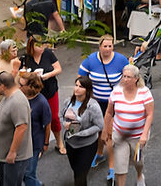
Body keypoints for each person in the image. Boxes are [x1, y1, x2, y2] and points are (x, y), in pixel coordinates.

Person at [78, 34, 130, 177]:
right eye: (105, 46)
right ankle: (100, 153)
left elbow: (130, 77)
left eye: (110, 46)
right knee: (100, 131)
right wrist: (86, 94)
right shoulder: (90, 60)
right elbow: (80, 79)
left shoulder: (121, 60)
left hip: (114, 104)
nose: (107, 49)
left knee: (108, 134)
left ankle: (113, 168)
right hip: (96, 103)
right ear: (99, 47)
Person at [0, 71, 33, 186]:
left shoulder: (18, 102)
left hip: (14, 158)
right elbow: (0, 116)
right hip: (4, 156)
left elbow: (21, 127)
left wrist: (13, 152)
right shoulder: (7, 97)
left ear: (2, 86)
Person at [104, 64, 154, 186]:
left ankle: (139, 174)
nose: (125, 79)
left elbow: (150, 114)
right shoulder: (116, 91)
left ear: (136, 78)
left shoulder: (144, 92)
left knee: (138, 162)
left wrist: (144, 134)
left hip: (138, 136)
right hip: (120, 135)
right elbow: (109, 112)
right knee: (120, 166)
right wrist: (106, 130)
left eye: (128, 77)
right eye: (124, 76)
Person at [21, 36, 64, 154]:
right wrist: (31, 75)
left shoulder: (48, 54)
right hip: (35, 93)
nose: (41, 48)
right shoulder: (26, 58)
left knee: (54, 117)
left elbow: (58, 69)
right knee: (37, 119)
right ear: (32, 46)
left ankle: (59, 141)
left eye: (42, 45)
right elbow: (22, 76)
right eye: (38, 46)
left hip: (50, 89)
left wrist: (47, 75)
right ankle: (39, 146)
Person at [61, 75, 105, 186]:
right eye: (76, 85)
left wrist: (82, 133)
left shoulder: (93, 106)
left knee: (81, 174)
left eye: (81, 86)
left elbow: (99, 125)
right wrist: (65, 124)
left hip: (87, 145)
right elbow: (61, 115)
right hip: (71, 143)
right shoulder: (68, 101)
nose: (77, 88)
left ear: (87, 89)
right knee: (76, 170)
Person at [19, 72, 51, 186]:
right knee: (22, 173)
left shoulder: (42, 102)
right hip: (21, 142)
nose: (19, 86)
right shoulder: (21, 96)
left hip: (34, 143)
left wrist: (46, 143)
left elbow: (47, 124)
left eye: (21, 85)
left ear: (31, 87)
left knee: (28, 173)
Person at [0, 39, 22, 114]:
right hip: (1, 106)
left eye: (16, 50)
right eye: (13, 51)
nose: (15, 54)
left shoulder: (13, 60)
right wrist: (15, 70)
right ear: (4, 52)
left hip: (14, 102)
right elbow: (4, 86)